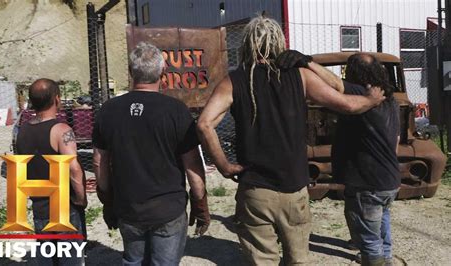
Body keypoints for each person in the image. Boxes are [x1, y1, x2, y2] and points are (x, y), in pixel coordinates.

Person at [196, 16, 386, 265]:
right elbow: (347, 105)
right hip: (294, 188)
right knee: (298, 260)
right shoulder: (300, 76)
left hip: (255, 189)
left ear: (247, 45)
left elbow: (204, 123)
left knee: (261, 260)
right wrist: (372, 100)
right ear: (279, 43)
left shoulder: (235, 80)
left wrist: (224, 166)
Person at [92, 42, 210, 266]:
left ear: (130, 72)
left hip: (128, 207)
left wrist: (107, 200)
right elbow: (192, 163)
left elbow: (99, 161)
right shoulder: (176, 111)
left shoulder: (108, 110)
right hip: (168, 209)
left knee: (134, 260)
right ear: (163, 72)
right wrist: (200, 202)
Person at [297, 52, 400, 266]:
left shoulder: (363, 94)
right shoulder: (390, 99)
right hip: (389, 179)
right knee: (382, 221)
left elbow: (334, 83)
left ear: (353, 72)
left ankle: (375, 261)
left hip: (368, 183)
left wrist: (307, 62)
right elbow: (396, 140)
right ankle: (386, 257)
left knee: (369, 239)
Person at [15, 78, 87, 266]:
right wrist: (80, 198)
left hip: (40, 208)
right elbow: (74, 169)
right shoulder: (61, 130)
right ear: (57, 99)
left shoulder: (21, 131)